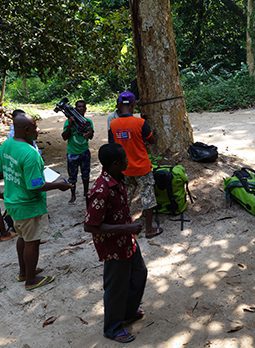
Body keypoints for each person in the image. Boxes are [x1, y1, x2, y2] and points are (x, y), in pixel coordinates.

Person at [0, 113, 71, 290]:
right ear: (26, 130)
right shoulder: (30, 154)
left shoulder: (7, 145)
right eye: (34, 127)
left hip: (13, 202)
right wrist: (58, 186)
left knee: (23, 237)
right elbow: (35, 186)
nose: (37, 130)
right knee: (32, 241)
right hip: (28, 204)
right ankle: (31, 280)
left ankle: (24, 271)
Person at [84, 143, 147, 343]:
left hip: (127, 241)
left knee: (139, 274)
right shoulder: (101, 190)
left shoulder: (118, 179)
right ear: (114, 164)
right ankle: (112, 328)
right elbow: (91, 226)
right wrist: (127, 228)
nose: (128, 162)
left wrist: (128, 230)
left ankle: (127, 312)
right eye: (124, 160)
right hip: (113, 247)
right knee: (116, 287)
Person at [109, 91, 163, 239]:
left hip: (124, 169)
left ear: (119, 105)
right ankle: (149, 230)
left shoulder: (113, 125)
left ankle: (124, 227)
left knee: (126, 197)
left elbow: (112, 146)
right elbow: (151, 141)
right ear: (133, 105)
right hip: (142, 167)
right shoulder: (140, 123)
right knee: (148, 197)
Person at [61, 100, 94, 204]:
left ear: (85, 109)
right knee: (72, 176)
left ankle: (85, 192)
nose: (80, 109)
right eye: (78, 107)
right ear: (75, 109)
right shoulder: (68, 121)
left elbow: (91, 136)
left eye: (82, 107)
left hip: (84, 151)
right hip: (72, 153)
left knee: (86, 174)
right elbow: (64, 137)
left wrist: (88, 133)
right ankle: (73, 195)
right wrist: (70, 125)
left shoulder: (88, 122)